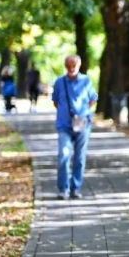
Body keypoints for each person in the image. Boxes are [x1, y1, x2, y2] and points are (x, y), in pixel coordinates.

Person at [52, 55, 98, 200]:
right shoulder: (59, 82)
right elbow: (55, 101)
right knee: (64, 155)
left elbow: (93, 99)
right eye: (69, 65)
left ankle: (75, 188)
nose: (71, 68)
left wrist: (82, 114)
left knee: (79, 158)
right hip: (64, 125)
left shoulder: (86, 81)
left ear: (79, 66)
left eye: (74, 65)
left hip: (82, 125)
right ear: (65, 66)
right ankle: (63, 189)